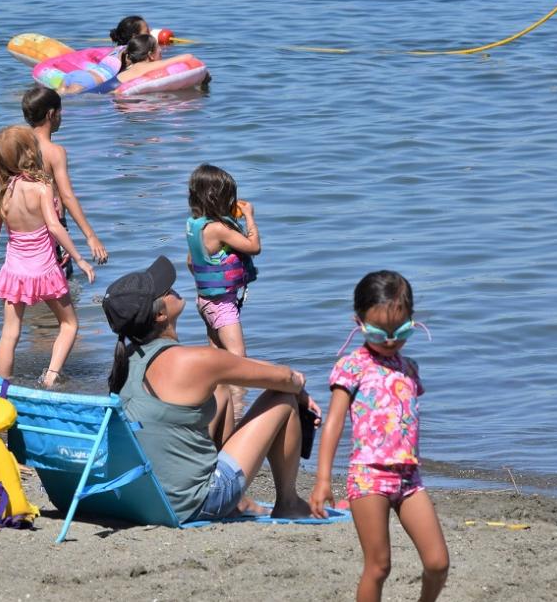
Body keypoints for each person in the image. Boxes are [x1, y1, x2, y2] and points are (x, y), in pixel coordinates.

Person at [102, 256, 319, 521]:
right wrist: (299, 389)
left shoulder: (125, 361)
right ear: (160, 315)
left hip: (143, 497)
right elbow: (285, 378)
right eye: (166, 290)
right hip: (191, 504)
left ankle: (240, 502)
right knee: (283, 397)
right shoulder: (194, 361)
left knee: (220, 391)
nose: (173, 289)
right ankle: (288, 502)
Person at [310, 271, 449, 602]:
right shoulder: (352, 366)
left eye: (399, 331)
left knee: (437, 562)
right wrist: (323, 479)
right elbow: (334, 422)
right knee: (379, 566)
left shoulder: (409, 367)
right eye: (378, 332)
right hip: (368, 476)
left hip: (409, 477)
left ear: (412, 320)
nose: (389, 340)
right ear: (358, 322)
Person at [0, 125, 95, 387]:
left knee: (10, 332)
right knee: (69, 324)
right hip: (44, 270)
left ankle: (3, 386)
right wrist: (79, 258)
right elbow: (54, 226)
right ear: (31, 152)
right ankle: (51, 378)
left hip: (15, 272)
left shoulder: (2, 193)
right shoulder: (42, 187)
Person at [185, 164, 260, 423]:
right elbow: (254, 246)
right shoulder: (218, 229)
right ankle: (236, 416)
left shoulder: (194, 225)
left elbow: (190, 261)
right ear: (216, 198)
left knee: (218, 360)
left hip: (205, 301)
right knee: (238, 362)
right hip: (222, 305)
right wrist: (249, 216)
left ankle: (216, 416)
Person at [21, 86, 108, 278]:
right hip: (54, 225)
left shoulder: (17, 148)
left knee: (31, 279)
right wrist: (91, 236)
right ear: (51, 114)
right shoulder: (55, 152)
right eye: (60, 112)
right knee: (59, 282)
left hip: (23, 227)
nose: (62, 116)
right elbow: (67, 196)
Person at [116, 34, 192, 85]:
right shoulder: (149, 65)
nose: (161, 51)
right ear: (150, 55)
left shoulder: (125, 70)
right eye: (159, 52)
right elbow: (188, 57)